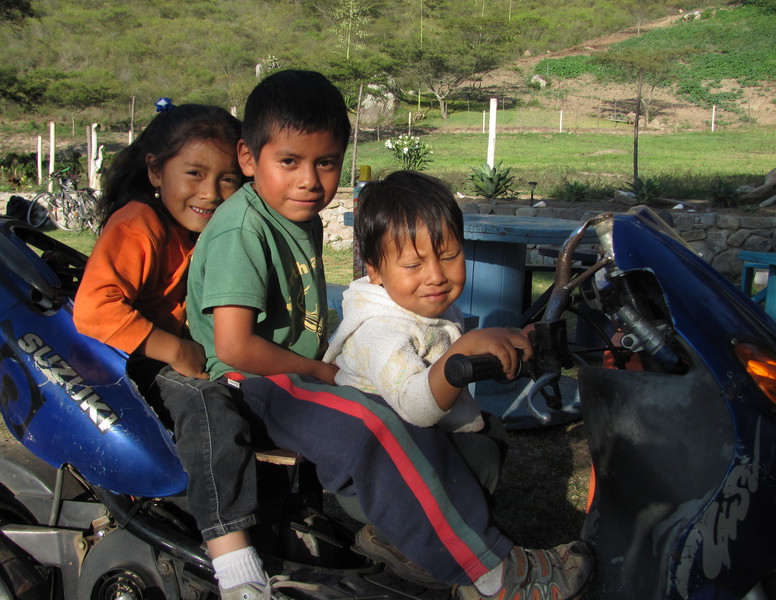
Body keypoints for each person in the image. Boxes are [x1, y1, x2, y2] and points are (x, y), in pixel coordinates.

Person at [183, 69, 593, 600]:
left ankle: (407, 537)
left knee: (447, 424)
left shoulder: (296, 214)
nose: (310, 180)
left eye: (325, 162)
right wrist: (321, 370)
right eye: (289, 162)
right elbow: (234, 347)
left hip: (292, 374)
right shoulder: (243, 228)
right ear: (247, 158)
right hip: (250, 382)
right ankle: (494, 575)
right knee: (371, 426)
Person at [72, 102, 285, 600]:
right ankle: (234, 565)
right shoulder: (138, 224)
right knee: (208, 407)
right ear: (155, 171)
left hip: (178, 354)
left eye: (228, 179)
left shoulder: (204, 232)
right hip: (130, 362)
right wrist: (174, 349)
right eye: (194, 173)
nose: (210, 192)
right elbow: (94, 309)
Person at [323, 170, 530, 501]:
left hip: (415, 441)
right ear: (374, 269)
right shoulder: (379, 330)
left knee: (491, 431)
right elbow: (416, 408)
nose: (436, 276)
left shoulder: (429, 306)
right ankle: (438, 526)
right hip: (376, 467)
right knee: (479, 455)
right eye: (413, 265)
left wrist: (505, 344)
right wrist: (464, 349)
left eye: (448, 257)